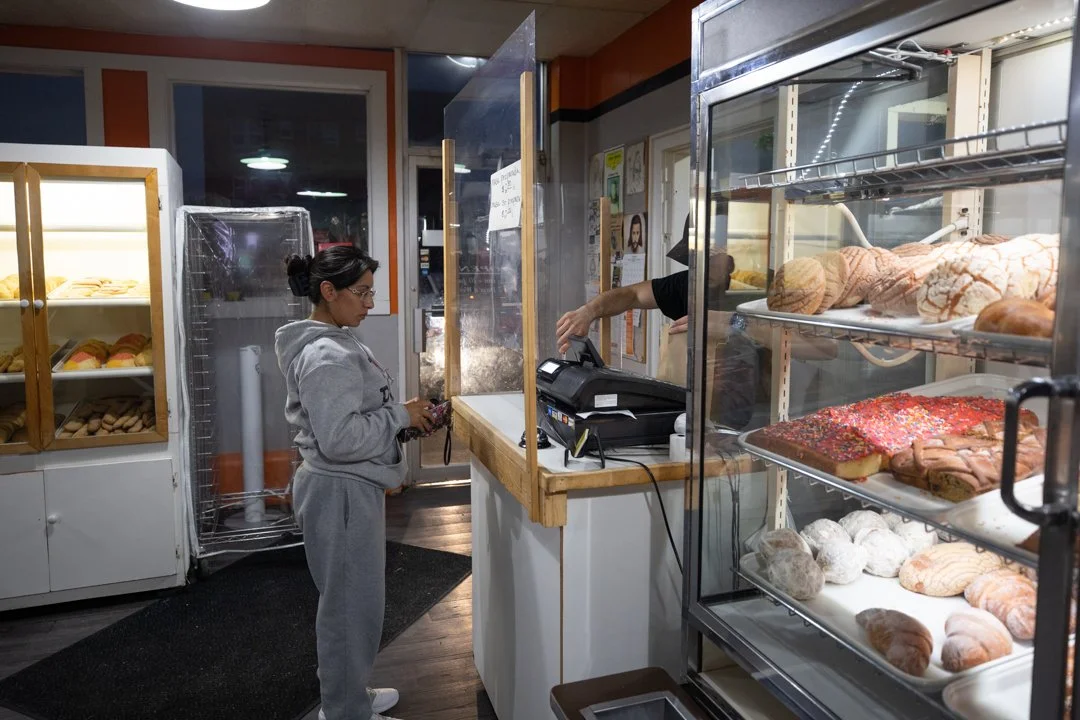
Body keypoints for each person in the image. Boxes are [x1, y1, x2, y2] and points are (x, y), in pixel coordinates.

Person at [275, 246, 435, 720]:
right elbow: (341, 439)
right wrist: (397, 415)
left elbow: (350, 417)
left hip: (348, 490)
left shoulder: (337, 339)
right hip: (340, 492)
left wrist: (397, 417)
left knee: (355, 604)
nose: (369, 303)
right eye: (362, 292)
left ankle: (349, 697)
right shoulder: (327, 354)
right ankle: (343, 713)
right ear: (328, 291)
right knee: (348, 612)